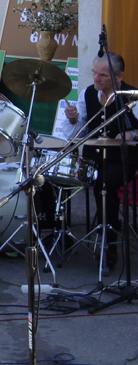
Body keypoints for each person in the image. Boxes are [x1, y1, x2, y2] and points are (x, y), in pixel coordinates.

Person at [61, 53, 138, 269]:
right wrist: (73, 119)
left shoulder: (132, 96)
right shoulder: (88, 94)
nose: (96, 79)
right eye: (94, 73)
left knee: (104, 183)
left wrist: (132, 134)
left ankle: (109, 244)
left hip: (122, 161)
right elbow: (79, 132)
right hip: (93, 159)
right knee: (69, 176)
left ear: (119, 76)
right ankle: (62, 232)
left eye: (102, 75)